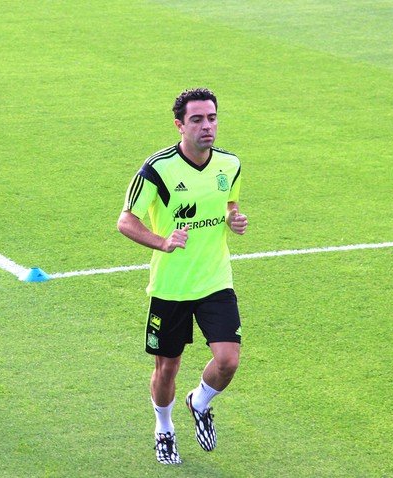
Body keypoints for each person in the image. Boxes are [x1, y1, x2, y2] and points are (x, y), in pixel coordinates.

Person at [117, 88, 248, 464]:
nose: (207, 126)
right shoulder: (157, 169)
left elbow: (229, 203)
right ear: (179, 125)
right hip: (172, 287)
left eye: (212, 118)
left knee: (228, 361)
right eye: (197, 120)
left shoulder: (230, 164)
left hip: (215, 280)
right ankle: (164, 427)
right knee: (167, 367)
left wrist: (232, 218)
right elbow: (126, 221)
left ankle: (200, 401)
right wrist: (162, 241)